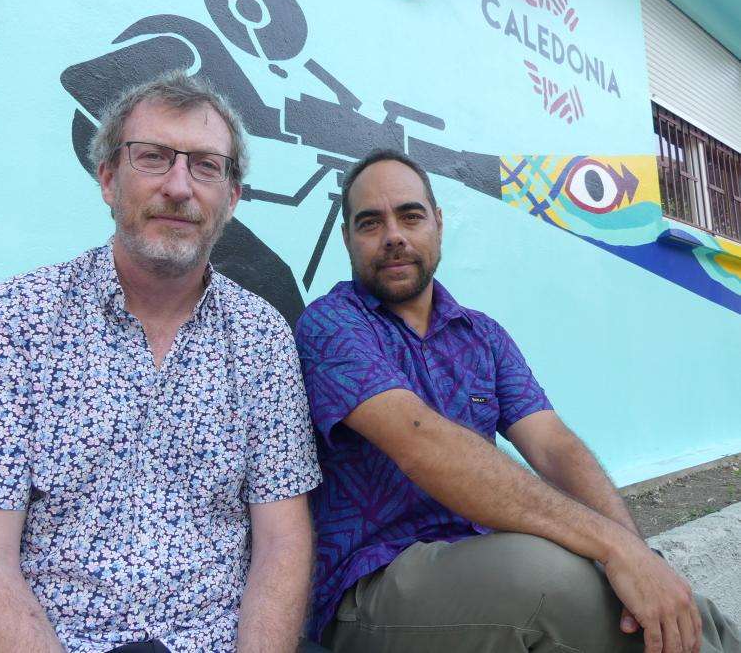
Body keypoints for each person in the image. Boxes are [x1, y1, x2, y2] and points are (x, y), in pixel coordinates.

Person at [0, 70, 322, 653]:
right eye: (152, 157)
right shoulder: (16, 318)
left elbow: (282, 543)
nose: (179, 186)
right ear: (107, 178)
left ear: (231, 199)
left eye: (206, 166)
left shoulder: (263, 337)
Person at [295, 148, 741, 653]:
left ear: (438, 223)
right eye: (370, 222)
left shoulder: (482, 335)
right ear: (347, 238)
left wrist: (636, 555)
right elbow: (423, 444)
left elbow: (553, 445)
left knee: (685, 604)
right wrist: (610, 544)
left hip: (484, 557)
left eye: (410, 216)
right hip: (373, 583)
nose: (393, 235)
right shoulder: (331, 326)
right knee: (551, 579)